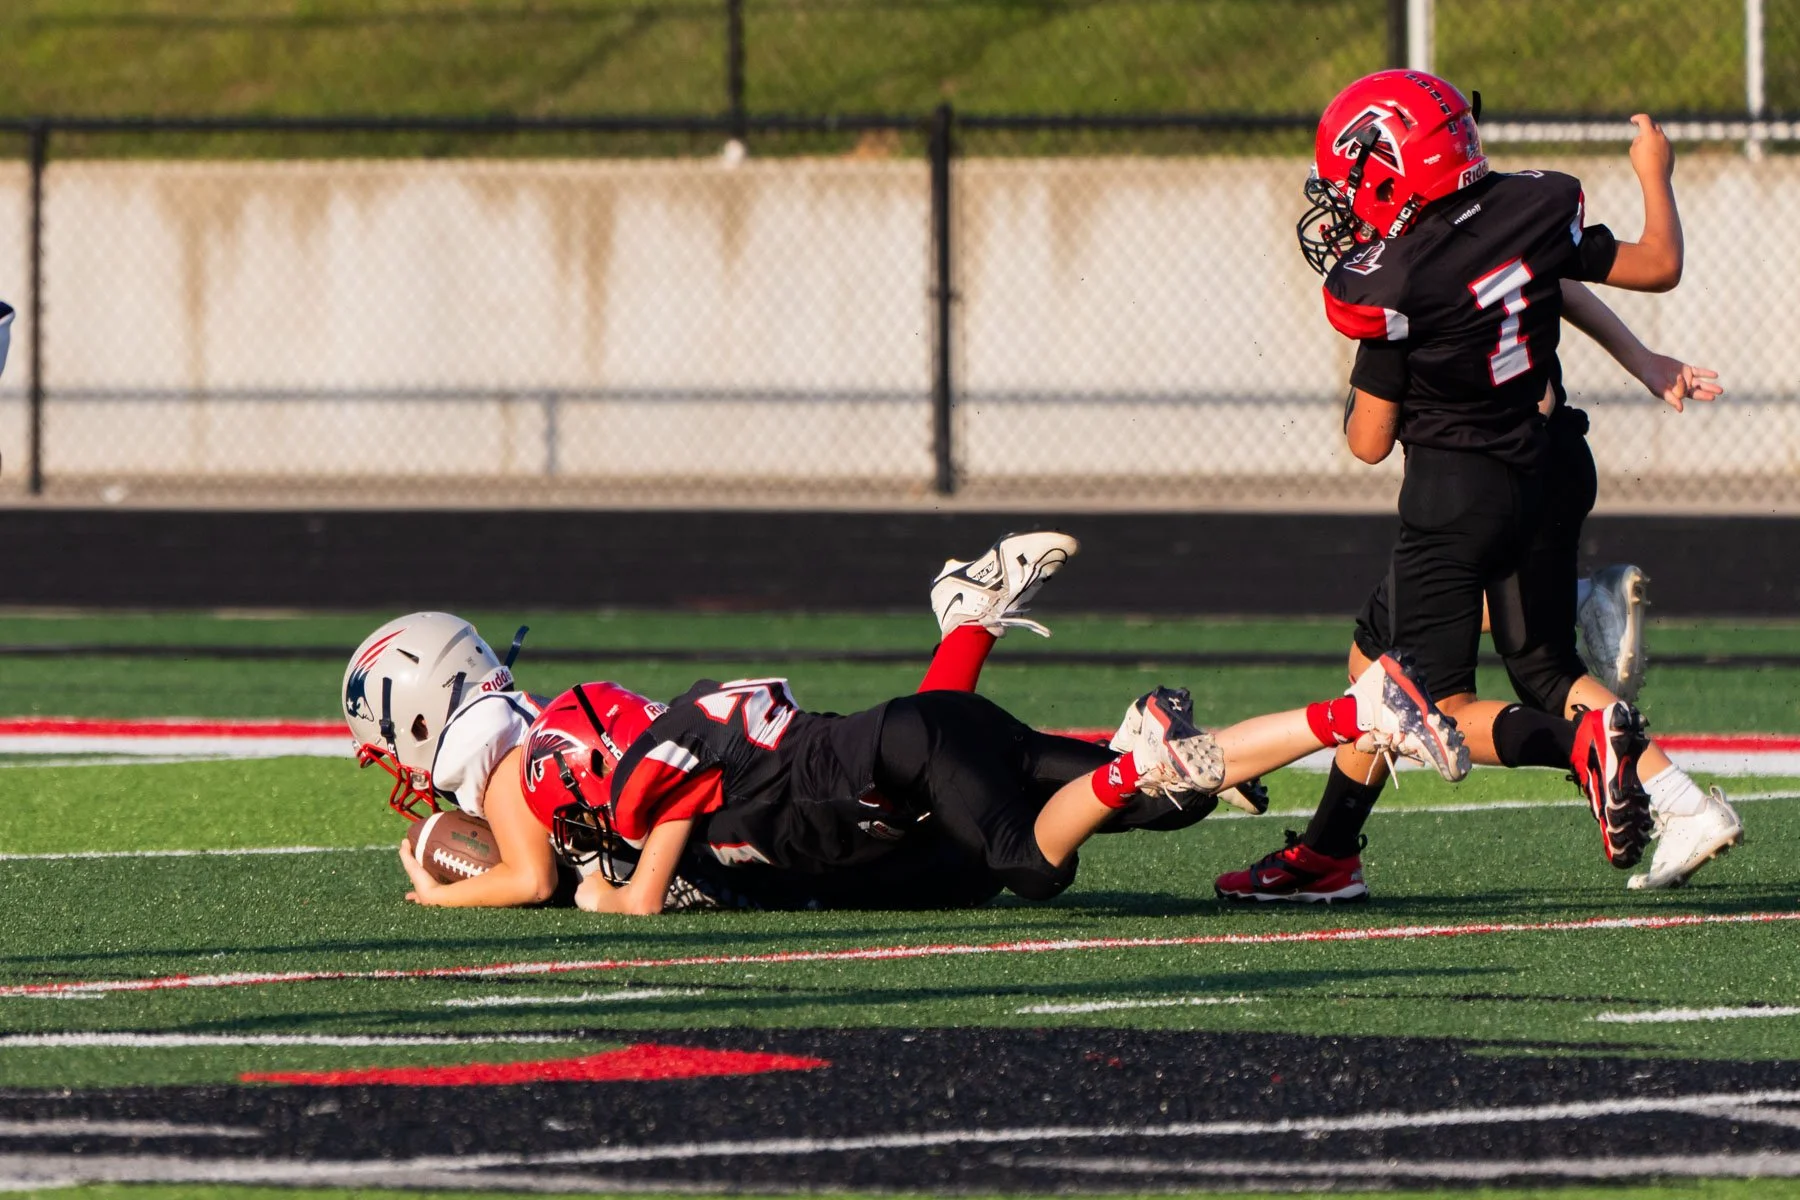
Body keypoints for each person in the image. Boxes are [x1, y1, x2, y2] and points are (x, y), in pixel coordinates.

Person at [1220, 71, 1727, 905]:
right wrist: (1654, 173)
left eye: (1354, 183)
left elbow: (1369, 442)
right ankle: (1331, 851)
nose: (1343, 205)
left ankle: (1580, 750)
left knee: (1432, 703)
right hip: (1548, 460)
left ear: (1395, 171)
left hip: (1458, 496)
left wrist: (1373, 370)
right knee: (1449, 664)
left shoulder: (1394, 280)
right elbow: (1639, 266)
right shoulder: (1524, 207)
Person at [514, 581, 1470, 917]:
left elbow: (637, 889)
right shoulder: (692, 740)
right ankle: (1354, 715)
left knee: (1034, 866)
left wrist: (596, 886)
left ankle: (1131, 748)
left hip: (913, 752)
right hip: (922, 745)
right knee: (1174, 800)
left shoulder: (652, 784)